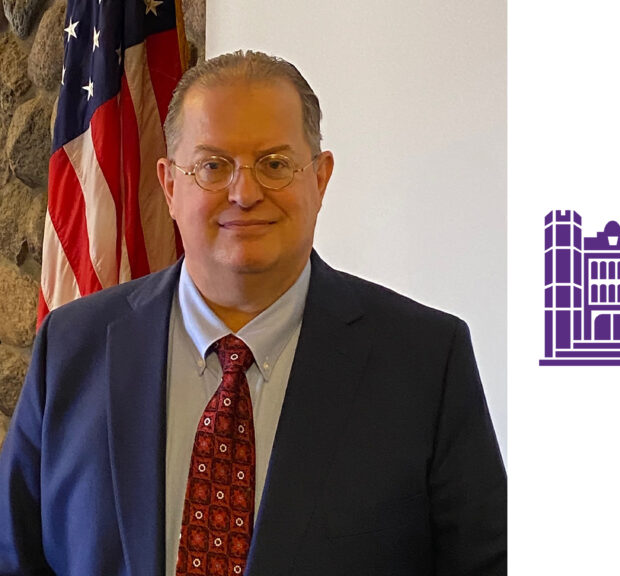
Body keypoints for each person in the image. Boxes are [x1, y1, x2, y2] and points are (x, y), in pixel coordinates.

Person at [0, 50, 506, 576]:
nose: (244, 193)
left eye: (274, 164)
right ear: (170, 185)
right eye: (213, 166)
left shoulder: (425, 361)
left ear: (321, 178)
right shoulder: (72, 346)